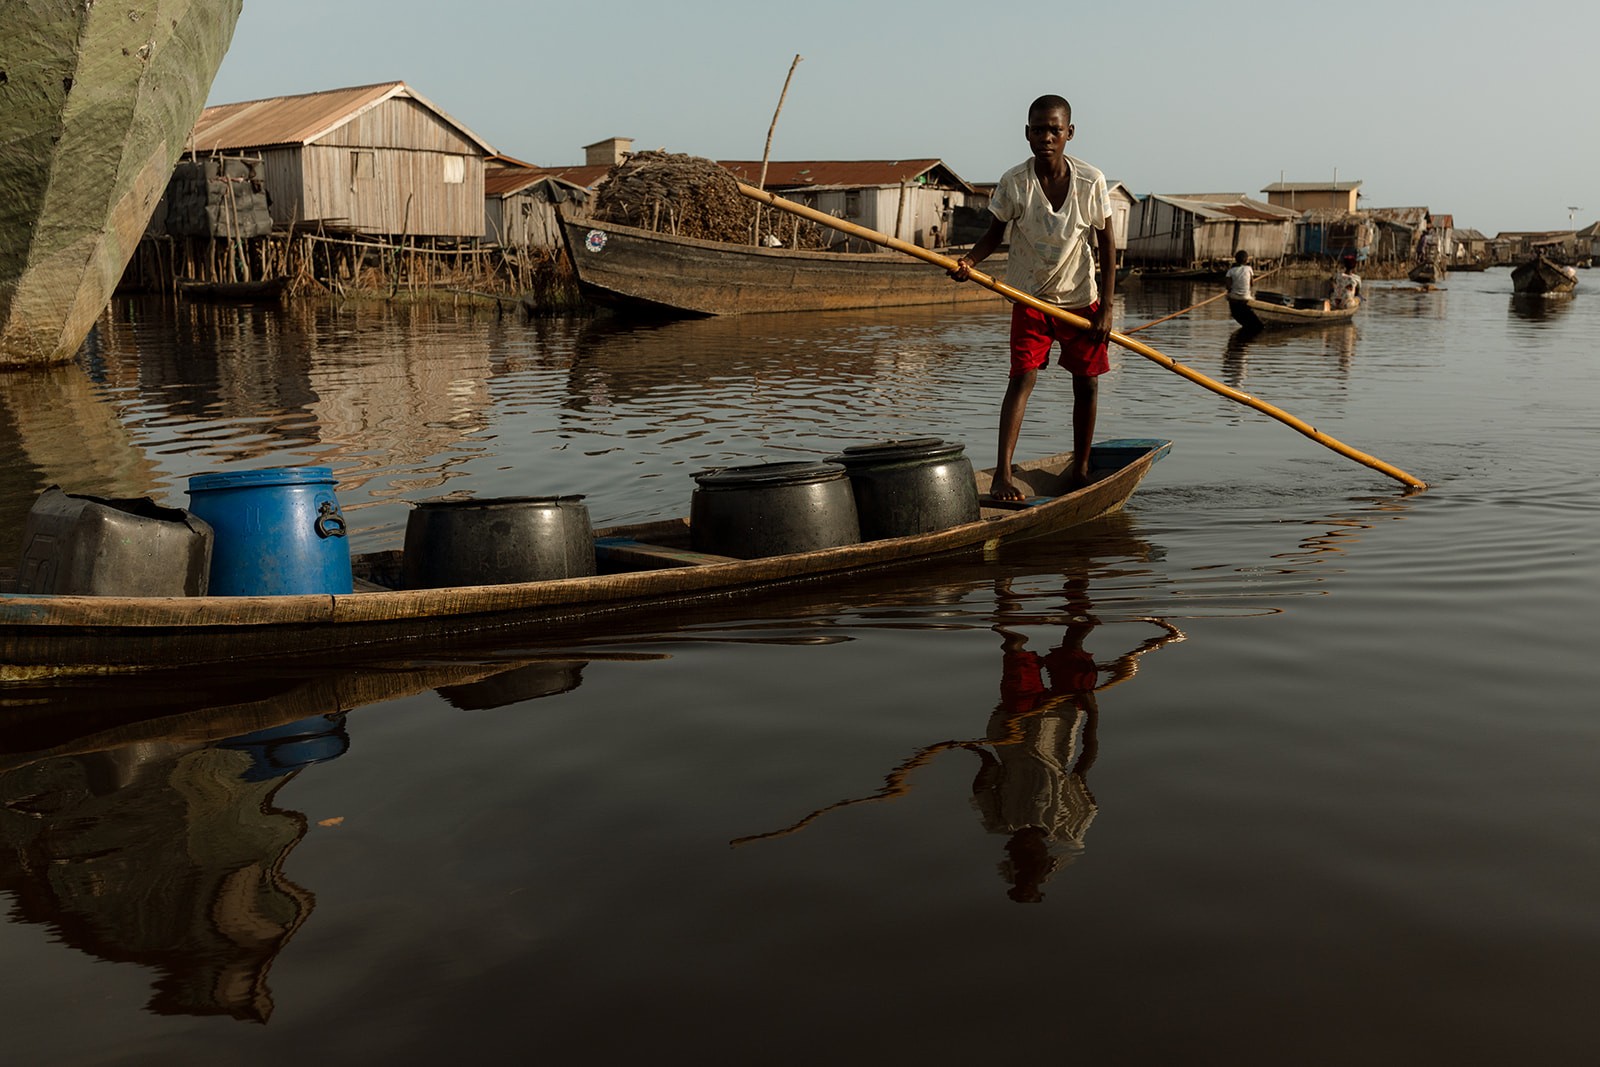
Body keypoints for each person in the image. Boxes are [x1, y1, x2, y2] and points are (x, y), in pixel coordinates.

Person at [949, 94, 1116, 497]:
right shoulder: (1015, 182)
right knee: (1021, 378)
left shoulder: (1091, 181)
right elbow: (994, 233)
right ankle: (1004, 475)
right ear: (1026, 134)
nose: (1046, 137)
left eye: (1054, 130)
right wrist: (969, 262)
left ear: (1069, 133)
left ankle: (1081, 467)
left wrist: (1107, 308)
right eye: (1038, 129)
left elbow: (1108, 245)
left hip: (1080, 297)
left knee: (1087, 383)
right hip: (1030, 298)